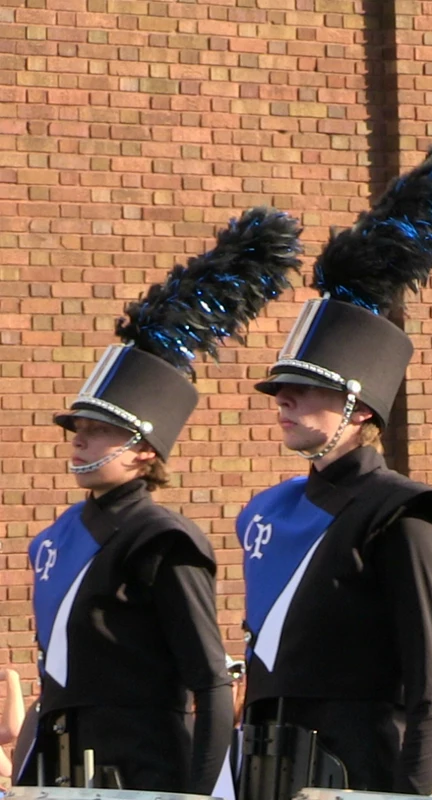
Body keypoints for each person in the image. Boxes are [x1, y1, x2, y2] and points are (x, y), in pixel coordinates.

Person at [237, 142, 432, 800]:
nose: (285, 400)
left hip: (359, 779)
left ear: (358, 406)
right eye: (281, 389)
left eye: (305, 387)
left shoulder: (403, 515)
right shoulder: (265, 511)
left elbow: (430, 687)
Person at [15, 208, 302, 793]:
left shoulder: (162, 539)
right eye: (78, 427)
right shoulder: (55, 538)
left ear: (144, 450)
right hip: (61, 772)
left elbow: (211, 681)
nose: (80, 438)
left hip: (143, 770)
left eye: (97, 430)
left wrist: (197, 793)